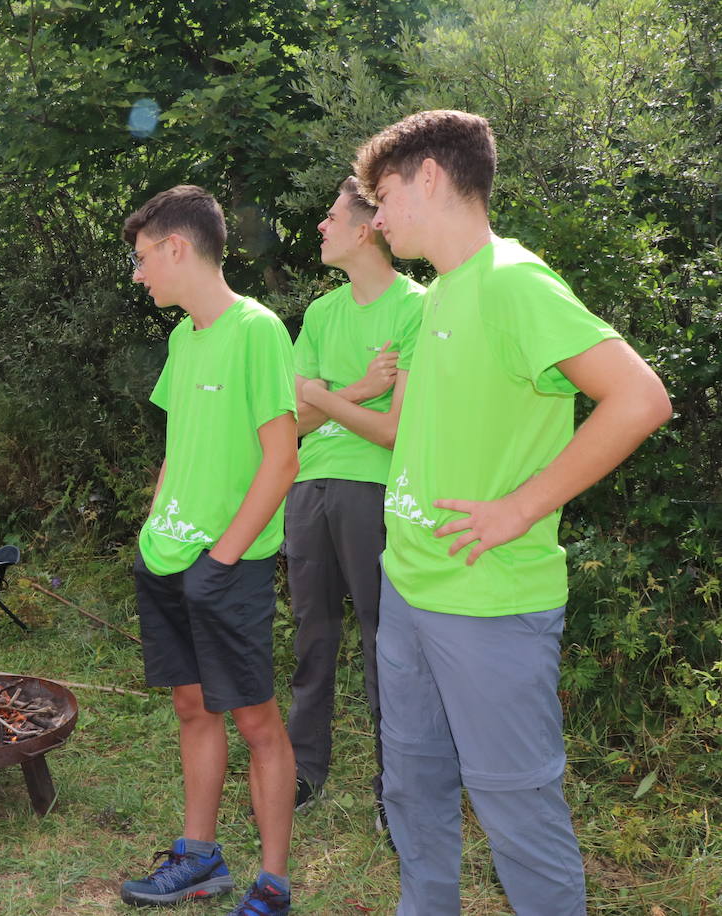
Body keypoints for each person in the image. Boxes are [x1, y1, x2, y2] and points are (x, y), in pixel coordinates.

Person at [354, 110, 672, 913]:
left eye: (384, 195)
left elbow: (639, 399)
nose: (377, 218)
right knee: (414, 793)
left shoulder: (512, 280)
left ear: (431, 176)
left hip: (489, 604)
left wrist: (519, 508)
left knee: (516, 813)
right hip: (410, 590)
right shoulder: (436, 299)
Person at [118, 186, 298, 916]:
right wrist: (153, 527)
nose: (138, 274)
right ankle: (199, 856)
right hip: (166, 557)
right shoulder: (183, 336)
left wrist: (223, 558)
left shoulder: (257, 331)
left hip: (230, 563)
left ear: (177, 248)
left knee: (257, 722)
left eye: (141, 259)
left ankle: (273, 884)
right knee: (192, 707)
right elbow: (177, 444)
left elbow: (281, 460)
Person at [286, 177, 424, 835]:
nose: (321, 226)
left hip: (375, 491)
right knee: (313, 639)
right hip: (308, 490)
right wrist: (363, 388)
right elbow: (290, 421)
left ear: (367, 228)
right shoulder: (319, 314)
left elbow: (394, 430)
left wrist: (334, 395)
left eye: (331, 216)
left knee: (383, 644)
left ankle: (394, 791)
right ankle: (302, 774)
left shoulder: (414, 309)